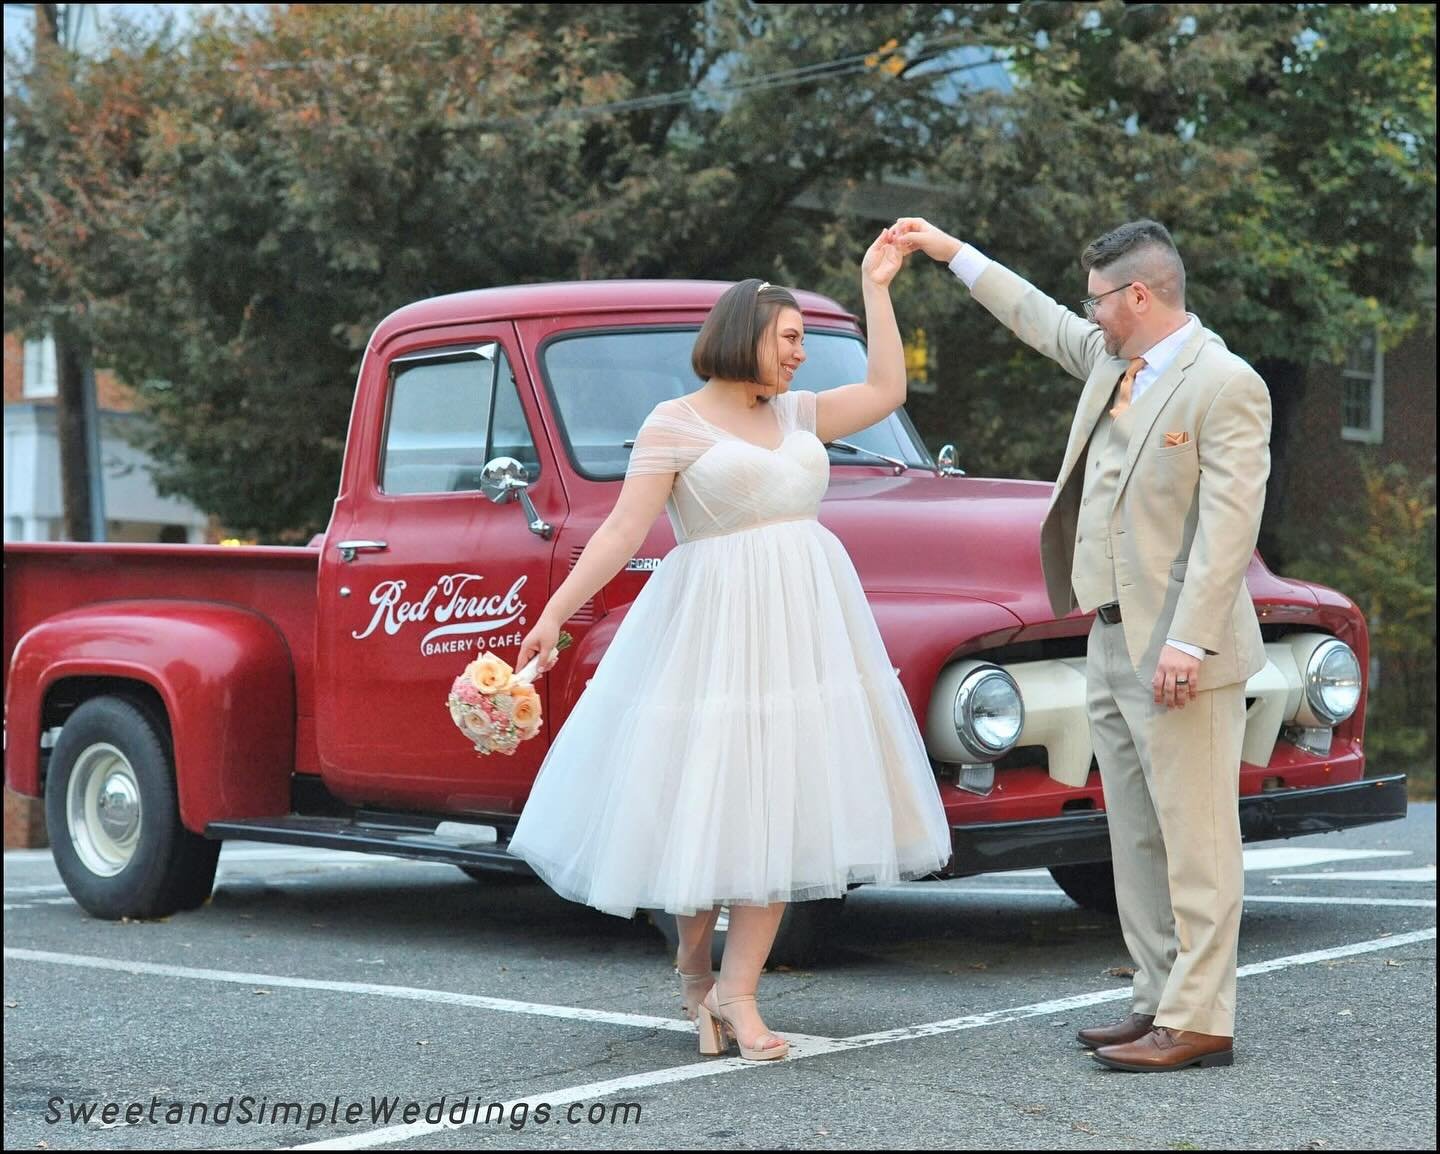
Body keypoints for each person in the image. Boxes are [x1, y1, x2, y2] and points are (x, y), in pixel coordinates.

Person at [507, 230, 952, 1063]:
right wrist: (557, 614)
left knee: (777, 803)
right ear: (746, 331)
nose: (800, 356)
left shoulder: (802, 412)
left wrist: (878, 287)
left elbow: (889, 387)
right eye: (790, 340)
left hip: (803, 626)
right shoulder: (671, 426)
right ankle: (693, 976)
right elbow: (619, 532)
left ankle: (739, 994)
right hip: (711, 629)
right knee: (706, 799)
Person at [893, 217, 1270, 1072]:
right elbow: (1030, 314)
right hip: (1105, 639)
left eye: (1098, 298)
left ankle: (1203, 1017)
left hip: (1183, 654)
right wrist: (950, 253)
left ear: (1140, 295)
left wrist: (1188, 643)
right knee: (1134, 834)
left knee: (1198, 839)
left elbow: (1227, 532)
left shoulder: (1226, 384)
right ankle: (1155, 1000)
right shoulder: (1110, 361)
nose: (1086, 313)